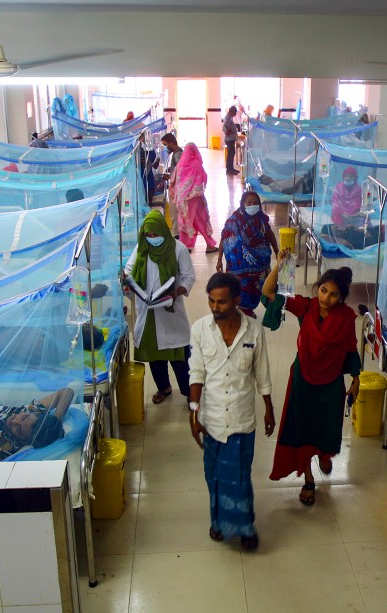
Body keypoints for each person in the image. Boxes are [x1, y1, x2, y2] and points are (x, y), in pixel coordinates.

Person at [262, 254, 361, 506]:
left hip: (331, 384)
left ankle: (325, 454)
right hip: (303, 380)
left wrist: (356, 379)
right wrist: (282, 265)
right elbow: (269, 291)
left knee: (327, 428)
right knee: (302, 430)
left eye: (333, 294)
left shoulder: (346, 318)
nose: (325, 298)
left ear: (342, 298)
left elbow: (351, 349)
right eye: (323, 290)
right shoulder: (305, 307)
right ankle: (308, 479)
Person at [188, 272, 274, 551]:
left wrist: (269, 409)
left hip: (241, 417)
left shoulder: (253, 331)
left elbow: (262, 373)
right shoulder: (200, 330)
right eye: (211, 301)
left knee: (238, 476)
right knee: (213, 474)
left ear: (237, 301)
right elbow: (197, 372)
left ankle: (245, 526)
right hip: (211, 418)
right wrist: (193, 411)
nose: (215, 307)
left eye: (222, 302)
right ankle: (219, 522)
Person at [124, 211, 196, 404]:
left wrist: (176, 292)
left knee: (179, 356)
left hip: (170, 310)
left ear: (164, 230)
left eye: (156, 234)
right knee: (155, 355)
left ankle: (190, 393)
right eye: (149, 235)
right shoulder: (142, 248)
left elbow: (189, 277)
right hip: (148, 311)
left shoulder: (178, 249)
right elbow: (129, 270)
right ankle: (163, 387)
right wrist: (128, 282)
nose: (152, 238)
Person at [216, 191, 278, 318]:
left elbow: (270, 235)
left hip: (259, 264)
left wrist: (277, 252)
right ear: (242, 204)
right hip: (237, 266)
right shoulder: (233, 221)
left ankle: (248, 309)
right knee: (240, 288)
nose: (252, 205)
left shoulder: (262, 219)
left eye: (255, 202)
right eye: (248, 203)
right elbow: (224, 239)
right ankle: (244, 311)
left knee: (257, 288)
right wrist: (219, 260)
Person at [173, 142, 219, 253]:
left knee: (185, 221)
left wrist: (179, 195)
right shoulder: (196, 163)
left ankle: (185, 247)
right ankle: (209, 245)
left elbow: (175, 180)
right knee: (201, 220)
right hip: (195, 198)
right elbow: (201, 178)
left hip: (183, 200)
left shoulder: (180, 164)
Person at [223, 105, 240, 175]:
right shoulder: (228, 118)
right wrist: (228, 131)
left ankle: (231, 168)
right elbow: (224, 128)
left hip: (231, 138)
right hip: (229, 139)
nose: (236, 114)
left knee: (232, 154)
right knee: (230, 154)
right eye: (235, 113)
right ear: (232, 112)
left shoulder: (230, 117)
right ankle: (229, 169)